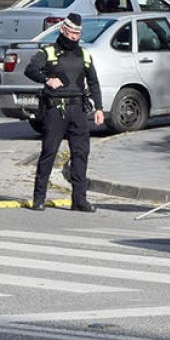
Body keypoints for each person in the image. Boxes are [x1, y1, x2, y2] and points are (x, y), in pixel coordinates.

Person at [25, 13, 104, 212]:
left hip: (78, 109)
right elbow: (30, 69)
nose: (75, 36)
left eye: (78, 33)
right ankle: (39, 198)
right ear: (63, 30)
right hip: (56, 109)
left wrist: (99, 108)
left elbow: (93, 82)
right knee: (49, 152)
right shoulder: (49, 52)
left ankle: (79, 200)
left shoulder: (84, 54)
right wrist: (47, 80)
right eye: (71, 32)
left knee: (81, 154)